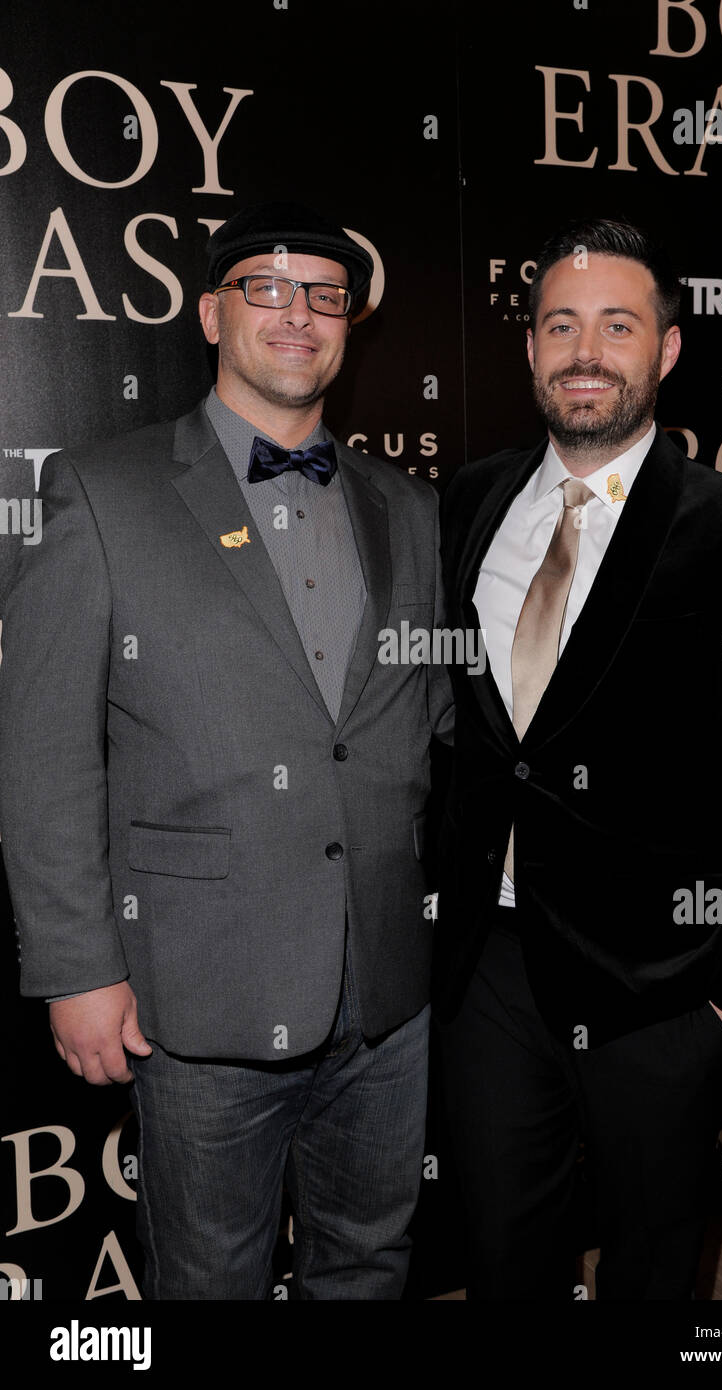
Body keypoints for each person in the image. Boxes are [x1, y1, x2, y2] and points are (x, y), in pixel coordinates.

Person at [0, 200, 453, 1300]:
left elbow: (426, 722)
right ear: (211, 313)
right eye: (267, 288)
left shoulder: (410, 509)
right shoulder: (106, 494)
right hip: (195, 997)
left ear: (348, 325)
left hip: (386, 991)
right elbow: (44, 751)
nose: (297, 315)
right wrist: (77, 968)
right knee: (209, 1280)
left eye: (324, 296)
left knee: (369, 1261)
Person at [433, 217, 722, 1300]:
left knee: (653, 1270)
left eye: (617, 325)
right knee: (500, 1255)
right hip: (491, 972)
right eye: (559, 324)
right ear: (527, 348)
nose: (584, 351)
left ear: (664, 350)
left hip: (660, 990)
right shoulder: (468, 503)